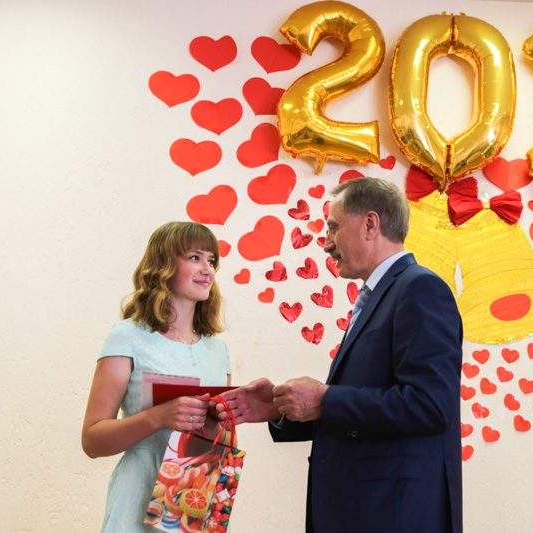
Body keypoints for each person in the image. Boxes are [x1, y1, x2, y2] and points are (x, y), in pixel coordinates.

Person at [220, 177, 464, 532]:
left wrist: (325, 400)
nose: (326, 243)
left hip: (394, 516)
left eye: (333, 227)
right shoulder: (383, 295)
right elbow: (367, 405)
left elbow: (431, 406)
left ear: (370, 224)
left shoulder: (420, 288)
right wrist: (283, 408)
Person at [82, 221, 232, 532]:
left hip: (195, 501)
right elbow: (92, 441)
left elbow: (225, 443)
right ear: (164, 265)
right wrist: (158, 417)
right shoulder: (128, 336)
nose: (207, 270)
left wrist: (228, 419)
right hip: (136, 499)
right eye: (194, 257)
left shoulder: (218, 349)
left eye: (211, 261)